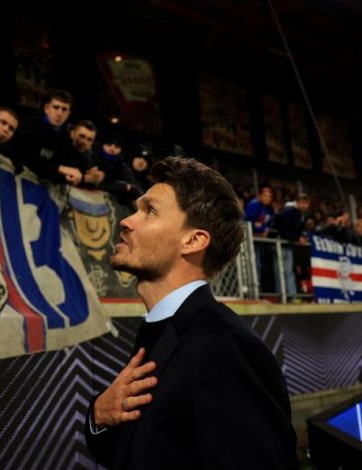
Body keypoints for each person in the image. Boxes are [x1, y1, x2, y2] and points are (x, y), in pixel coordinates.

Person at [84, 156, 298, 469]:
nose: (127, 221)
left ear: (194, 240)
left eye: (150, 211)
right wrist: (99, 415)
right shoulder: (162, 327)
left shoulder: (228, 347)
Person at [8, 89, 83, 185]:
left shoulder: (65, 138)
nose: (59, 113)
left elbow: (66, 165)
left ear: (68, 114)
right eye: (56, 107)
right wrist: (59, 168)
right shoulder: (29, 125)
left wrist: (68, 177)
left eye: (64, 109)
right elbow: (26, 158)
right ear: (46, 108)